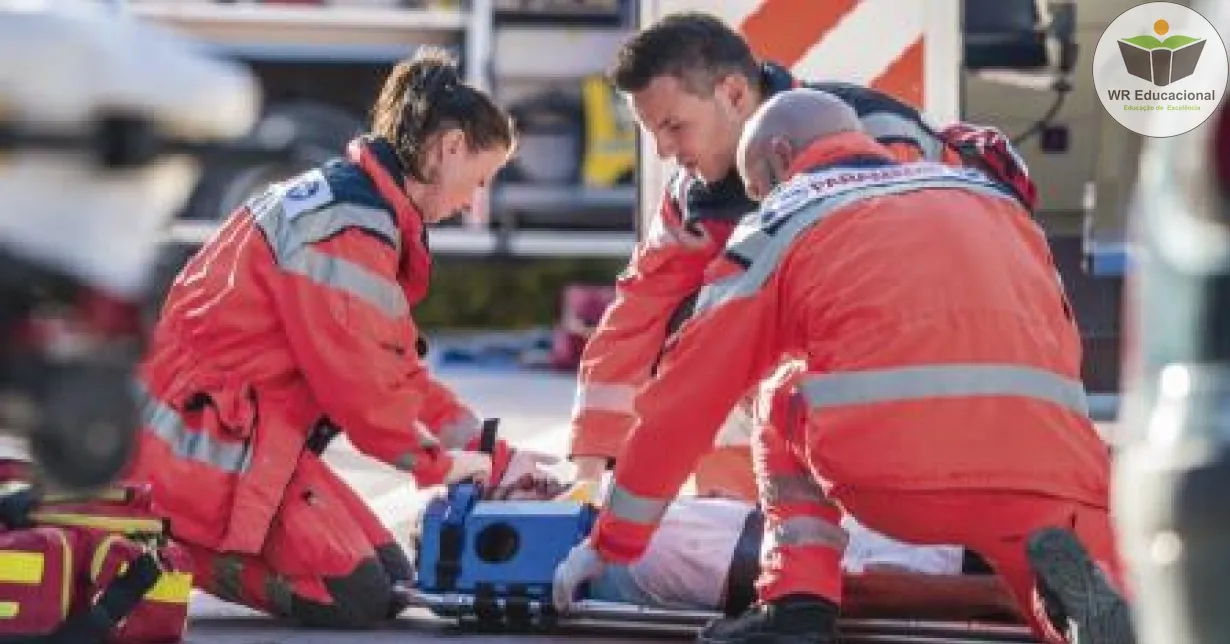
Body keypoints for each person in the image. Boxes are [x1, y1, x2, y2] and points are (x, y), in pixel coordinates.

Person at [554, 89, 1134, 644]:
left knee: (781, 390)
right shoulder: (990, 200)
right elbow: (1061, 340)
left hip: (893, 476)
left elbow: (688, 396)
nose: (761, 197)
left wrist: (613, 541)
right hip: (1048, 474)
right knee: (1051, 582)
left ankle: (795, 602)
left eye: (757, 186)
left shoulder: (786, 217)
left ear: (780, 159)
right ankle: (1087, 600)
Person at [124, 47, 556, 628]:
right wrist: (439, 465)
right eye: (479, 179)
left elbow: (396, 375)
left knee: (394, 579)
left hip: (241, 436)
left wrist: (492, 455)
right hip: (207, 448)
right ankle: (165, 542)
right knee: (358, 597)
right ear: (449, 147)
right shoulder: (348, 229)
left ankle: (179, 529)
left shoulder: (359, 210)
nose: (472, 201)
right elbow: (365, 393)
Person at [565, 11, 1038, 504]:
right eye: (653, 133)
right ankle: (739, 521)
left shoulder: (877, 137)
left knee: (741, 339)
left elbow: (900, 291)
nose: (664, 151)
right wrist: (589, 469)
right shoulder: (695, 195)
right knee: (699, 332)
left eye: (674, 126)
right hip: (886, 372)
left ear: (732, 94)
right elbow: (640, 310)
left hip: (949, 360)